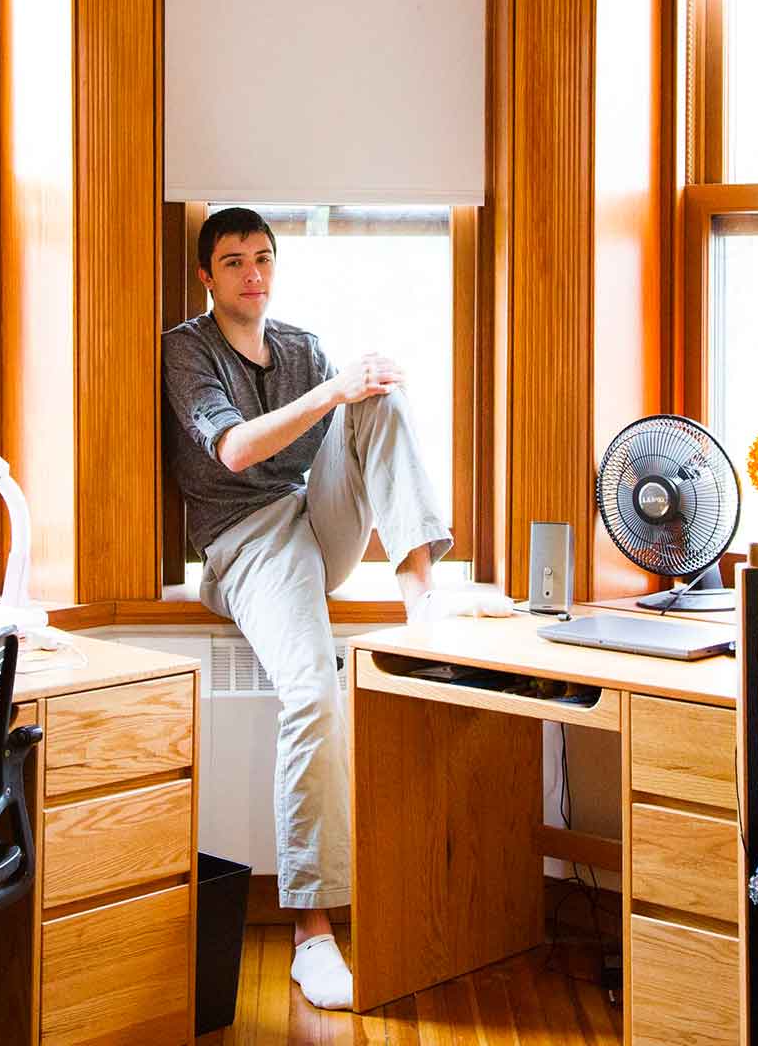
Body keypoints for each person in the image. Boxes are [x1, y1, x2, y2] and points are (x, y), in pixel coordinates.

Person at [161, 206, 512, 1013]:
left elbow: (344, 443)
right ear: (208, 276)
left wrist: (349, 386)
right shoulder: (187, 349)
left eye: (263, 257)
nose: (252, 272)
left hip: (314, 521)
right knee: (314, 692)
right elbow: (235, 449)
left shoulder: (301, 344)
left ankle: (421, 593)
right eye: (234, 260)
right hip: (246, 542)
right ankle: (311, 933)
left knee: (377, 395)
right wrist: (331, 389)